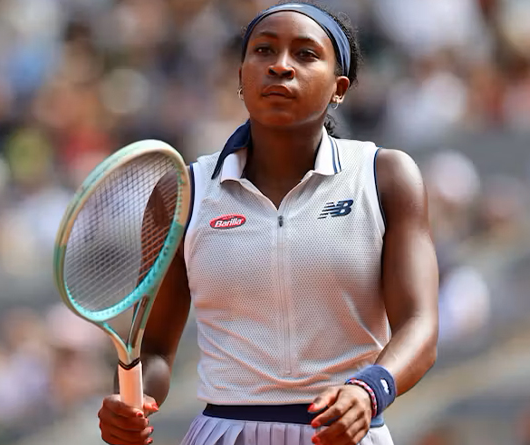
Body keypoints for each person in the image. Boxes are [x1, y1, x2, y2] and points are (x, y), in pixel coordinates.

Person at [97, 2, 439, 444]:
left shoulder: (386, 176)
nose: (280, 66)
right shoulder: (181, 192)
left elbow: (421, 326)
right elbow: (156, 349)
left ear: (340, 87)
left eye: (305, 54)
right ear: (241, 76)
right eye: (263, 50)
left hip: (347, 431)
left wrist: (370, 390)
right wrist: (129, 403)